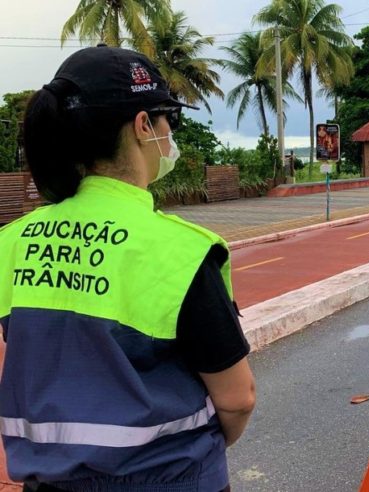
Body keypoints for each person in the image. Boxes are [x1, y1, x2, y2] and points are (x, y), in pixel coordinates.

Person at [0, 45, 255, 491]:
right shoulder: (180, 251)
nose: (170, 134)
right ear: (142, 126)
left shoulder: (12, 242)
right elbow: (237, 399)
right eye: (167, 120)